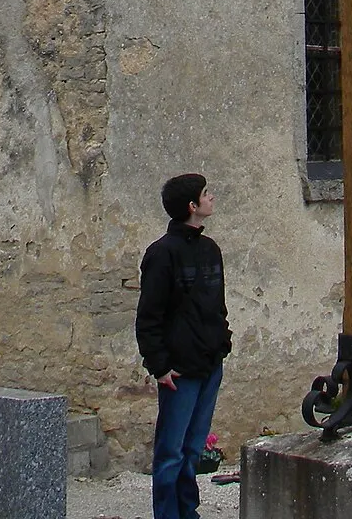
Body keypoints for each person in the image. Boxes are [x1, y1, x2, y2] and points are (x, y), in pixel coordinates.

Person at [136, 173, 231, 519]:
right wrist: (159, 366)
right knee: (171, 452)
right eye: (206, 194)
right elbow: (149, 316)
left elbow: (216, 305)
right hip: (179, 370)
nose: (212, 197)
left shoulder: (211, 250)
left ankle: (187, 513)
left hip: (209, 364)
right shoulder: (161, 255)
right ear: (192, 206)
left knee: (192, 450)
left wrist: (223, 340)